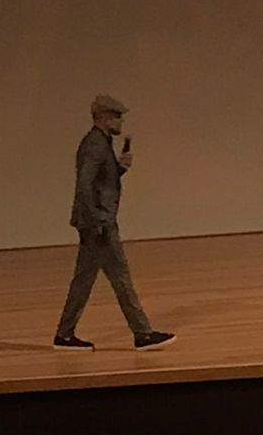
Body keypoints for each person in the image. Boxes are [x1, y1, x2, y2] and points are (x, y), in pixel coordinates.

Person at [53, 94, 174, 352]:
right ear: (105, 118)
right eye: (117, 117)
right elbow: (84, 186)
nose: (121, 122)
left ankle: (64, 335)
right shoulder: (95, 146)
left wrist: (120, 169)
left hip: (96, 222)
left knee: (84, 280)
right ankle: (142, 334)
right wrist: (98, 220)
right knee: (120, 278)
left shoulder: (100, 142)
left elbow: (100, 182)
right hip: (99, 225)